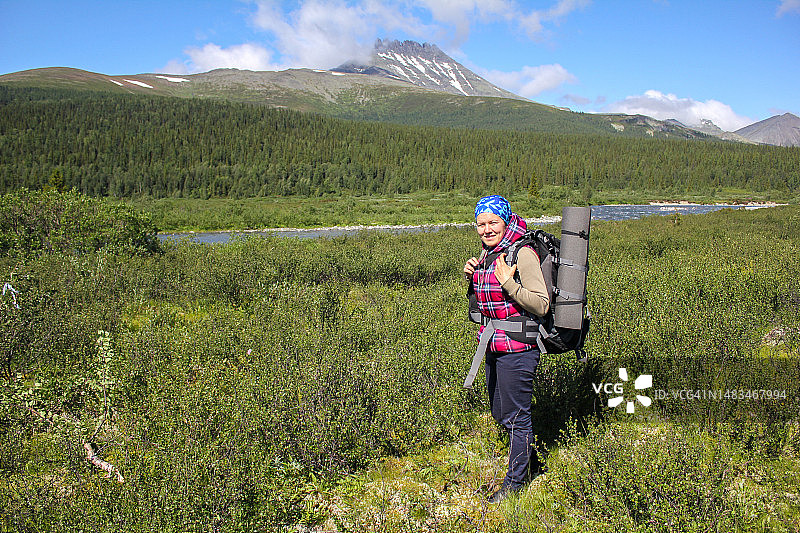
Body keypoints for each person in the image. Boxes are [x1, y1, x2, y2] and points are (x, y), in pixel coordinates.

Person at [463, 195, 550, 504]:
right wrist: (472, 276)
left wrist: (509, 284)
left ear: (506, 220)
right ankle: (531, 463)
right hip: (493, 344)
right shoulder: (489, 254)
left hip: (519, 347)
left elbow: (541, 303)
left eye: (493, 223)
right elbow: (485, 305)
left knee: (516, 417)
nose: (487, 229)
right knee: (501, 411)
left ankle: (515, 484)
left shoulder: (522, 252)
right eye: (481, 224)